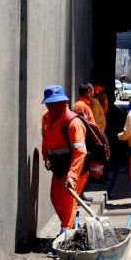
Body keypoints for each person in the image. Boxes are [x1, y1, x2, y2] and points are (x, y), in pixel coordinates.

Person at [40, 85, 89, 234]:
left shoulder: (73, 122)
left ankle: (65, 240)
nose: (54, 107)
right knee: (55, 197)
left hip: (75, 172)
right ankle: (73, 228)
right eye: (50, 104)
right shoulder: (46, 118)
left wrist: (72, 175)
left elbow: (80, 151)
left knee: (68, 203)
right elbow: (46, 140)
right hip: (59, 169)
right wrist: (46, 157)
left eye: (57, 103)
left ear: (65, 103)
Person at [71, 83, 98, 202]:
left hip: (85, 141)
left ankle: (80, 195)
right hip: (83, 142)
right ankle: (78, 196)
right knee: (82, 171)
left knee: (85, 171)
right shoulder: (81, 106)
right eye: (92, 91)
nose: (93, 94)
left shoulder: (83, 105)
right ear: (87, 92)